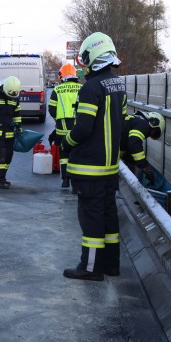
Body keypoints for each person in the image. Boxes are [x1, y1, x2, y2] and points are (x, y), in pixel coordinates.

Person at [61, 32, 126, 281]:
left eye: (86, 58)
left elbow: (83, 128)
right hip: (110, 168)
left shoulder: (90, 87)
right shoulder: (118, 85)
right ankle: (111, 265)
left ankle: (89, 268)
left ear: (94, 56)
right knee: (109, 217)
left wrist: (66, 142)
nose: (84, 63)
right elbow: (121, 124)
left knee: (92, 221)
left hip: (90, 169)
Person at [48, 63, 81, 188]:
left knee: (64, 151)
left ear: (62, 76)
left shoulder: (57, 89)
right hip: (79, 125)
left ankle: (65, 180)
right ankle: (76, 183)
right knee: (77, 151)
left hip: (62, 125)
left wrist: (58, 119)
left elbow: (51, 109)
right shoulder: (82, 88)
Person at [120, 111, 165, 183]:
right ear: (154, 122)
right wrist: (145, 167)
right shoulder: (144, 124)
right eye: (155, 131)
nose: (151, 134)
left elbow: (126, 144)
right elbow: (134, 143)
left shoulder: (136, 120)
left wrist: (134, 161)